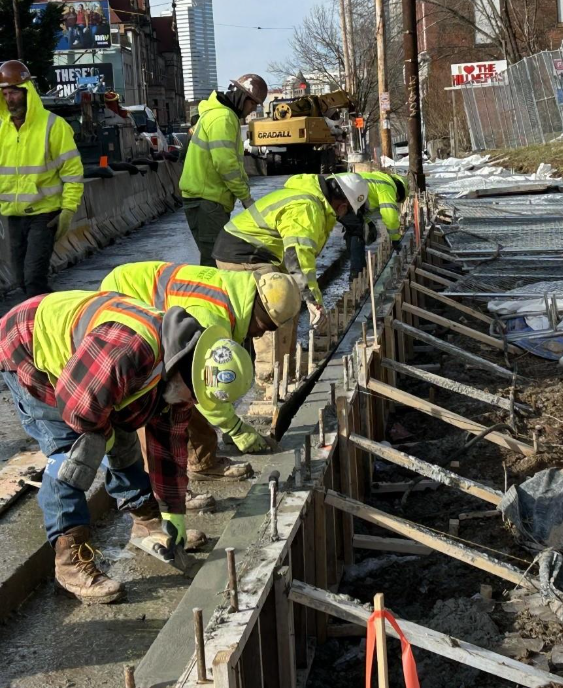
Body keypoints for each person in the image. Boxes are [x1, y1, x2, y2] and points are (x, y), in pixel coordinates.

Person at [0, 290, 254, 603]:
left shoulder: (181, 371)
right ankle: (69, 562)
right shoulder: (128, 349)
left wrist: (174, 520)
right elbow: (78, 409)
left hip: (89, 370)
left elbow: (169, 450)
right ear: (188, 370)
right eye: (194, 394)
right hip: (27, 345)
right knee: (74, 453)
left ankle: (146, 523)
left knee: (120, 436)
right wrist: (110, 443)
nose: (192, 402)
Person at [100, 262, 300, 481]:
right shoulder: (209, 318)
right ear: (258, 313)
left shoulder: (236, 290)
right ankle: (189, 470)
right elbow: (200, 386)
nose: (261, 334)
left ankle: (190, 463)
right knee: (167, 390)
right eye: (264, 327)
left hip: (129, 285)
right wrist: (235, 428)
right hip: (122, 300)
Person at [212, 173, 369, 376]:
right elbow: (298, 257)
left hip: (253, 251)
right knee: (277, 309)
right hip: (245, 254)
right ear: (343, 205)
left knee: (291, 302)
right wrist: (313, 300)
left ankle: (288, 367)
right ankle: (270, 379)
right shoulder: (308, 208)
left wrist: (303, 295)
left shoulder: (309, 198)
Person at [0, 60, 84, 297]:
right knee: (22, 280)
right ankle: (44, 320)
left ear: (27, 91)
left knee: (34, 278)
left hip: (44, 214)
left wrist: (67, 209)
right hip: (14, 215)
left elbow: (73, 173)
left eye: (14, 92)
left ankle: (42, 328)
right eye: (5, 93)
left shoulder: (54, 126)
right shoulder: (1, 129)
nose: (9, 99)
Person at [180, 74, 268, 267]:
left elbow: (233, 162)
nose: (253, 109)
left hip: (207, 198)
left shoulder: (219, 114)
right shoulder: (223, 118)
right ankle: (210, 297)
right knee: (215, 260)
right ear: (242, 98)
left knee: (215, 256)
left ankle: (212, 296)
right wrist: (246, 198)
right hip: (208, 199)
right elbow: (226, 165)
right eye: (253, 104)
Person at [358, 171, 408, 249]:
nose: (394, 199)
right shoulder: (387, 187)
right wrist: (395, 239)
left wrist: (369, 223)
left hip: (340, 189)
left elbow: (361, 208)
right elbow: (390, 216)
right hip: (342, 193)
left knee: (353, 232)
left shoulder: (376, 182)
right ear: (399, 191)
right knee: (355, 236)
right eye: (397, 198)